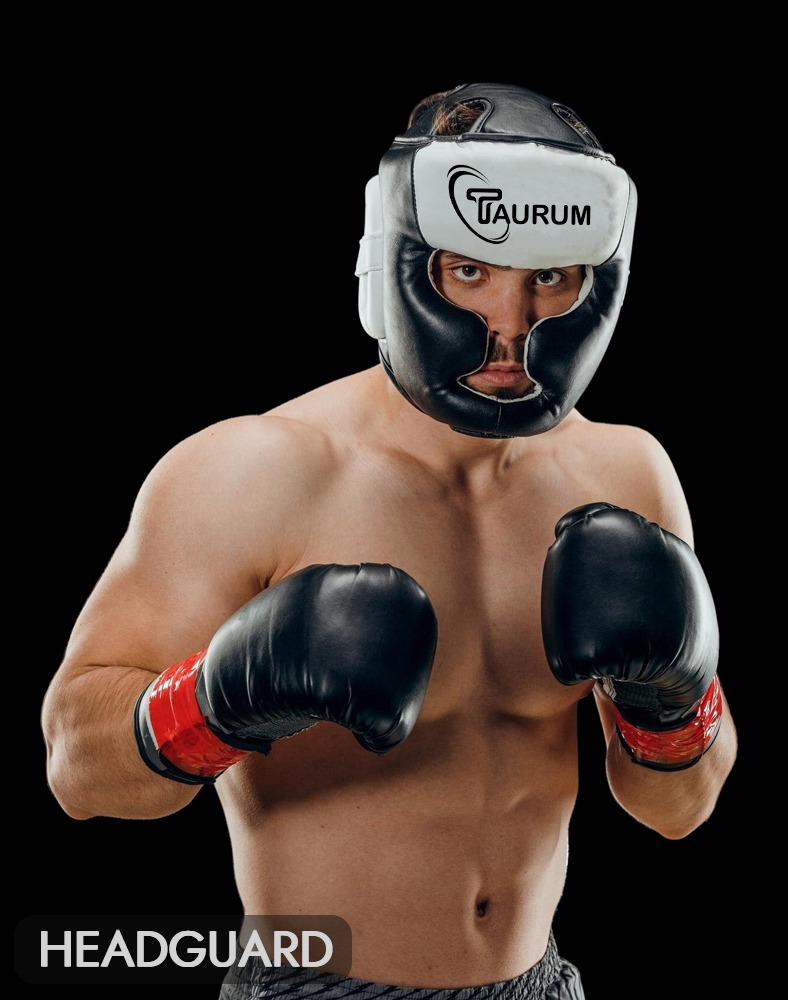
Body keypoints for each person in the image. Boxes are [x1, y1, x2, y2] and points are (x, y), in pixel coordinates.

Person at [41, 82, 737, 999]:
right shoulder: (256, 472)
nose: (510, 325)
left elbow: (680, 809)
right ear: (398, 262)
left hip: (537, 984)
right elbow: (77, 770)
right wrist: (217, 700)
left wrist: (672, 704)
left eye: (551, 278)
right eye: (469, 270)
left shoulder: (627, 474)